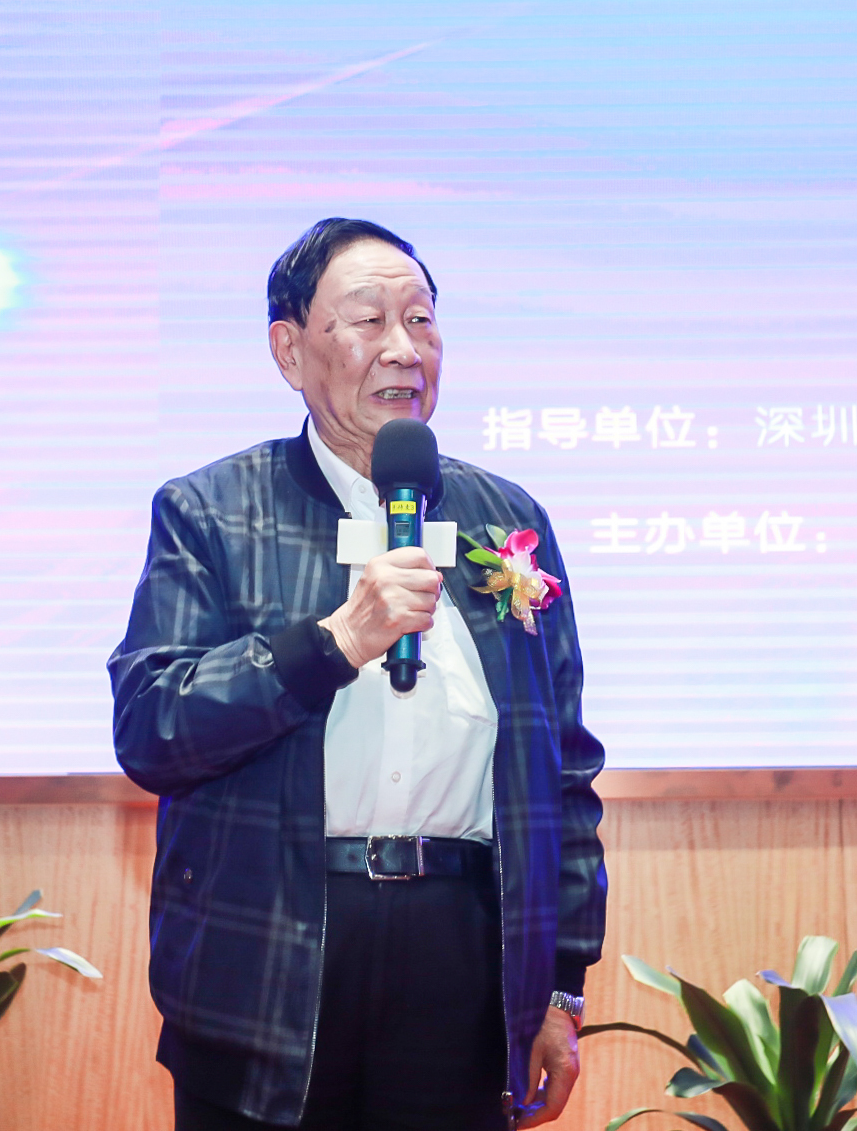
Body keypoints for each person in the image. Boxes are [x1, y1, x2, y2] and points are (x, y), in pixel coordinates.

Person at [111, 218, 606, 1130]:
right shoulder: (211, 510)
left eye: (420, 320)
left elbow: (563, 772)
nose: (403, 349)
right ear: (289, 349)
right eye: (369, 319)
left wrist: (561, 986)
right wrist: (338, 639)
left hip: (459, 956)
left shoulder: (508, 518)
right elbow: (153, 725)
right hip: (271, 950)